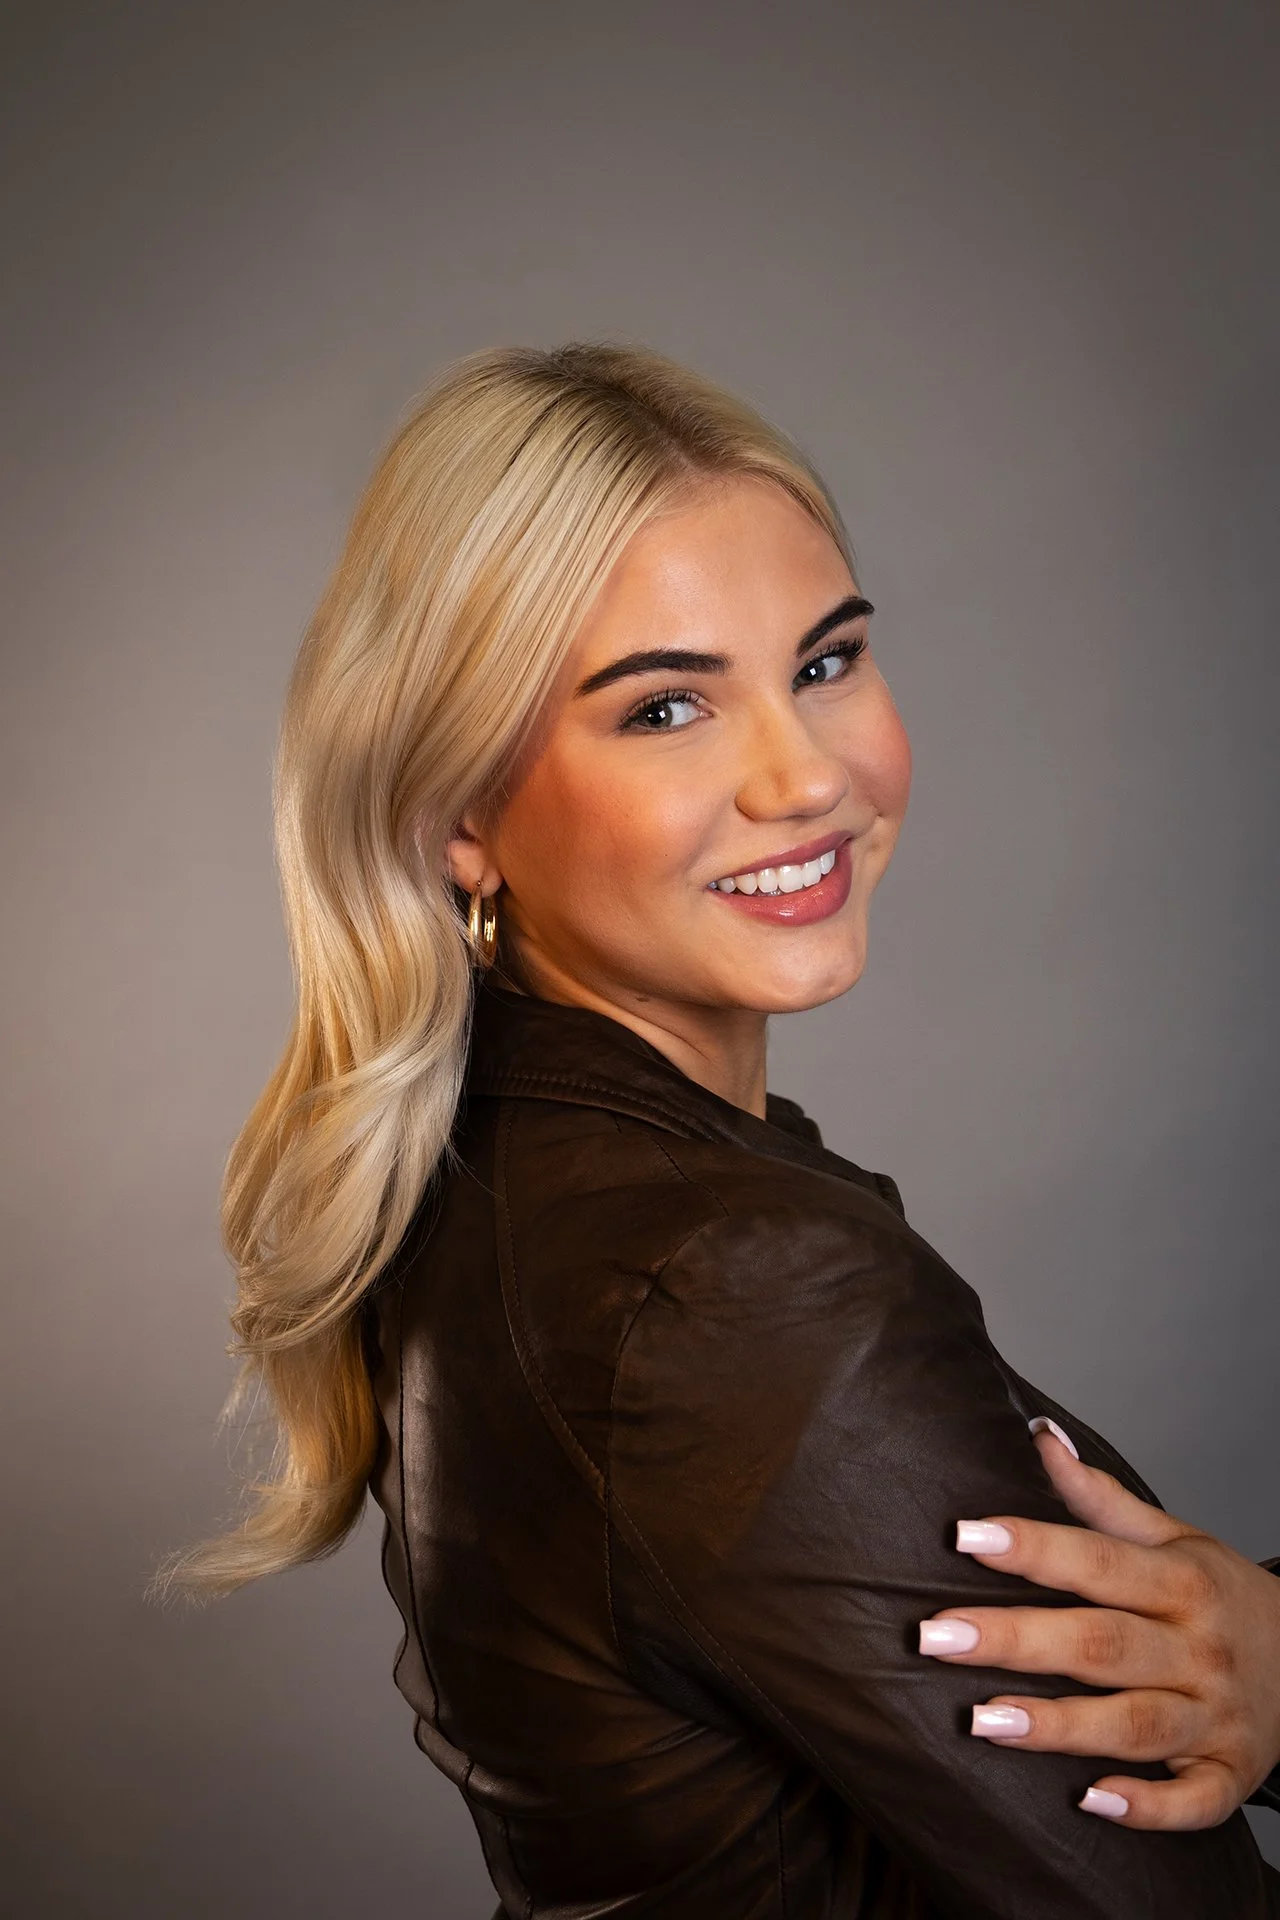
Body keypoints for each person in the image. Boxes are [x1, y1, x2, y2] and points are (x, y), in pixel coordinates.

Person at [153, 343, 1280, 1916]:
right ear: (458, 814)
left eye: (826, 663)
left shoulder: (500, 1174)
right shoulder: (734, 1287)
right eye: (668, 706)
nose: (803, 775)